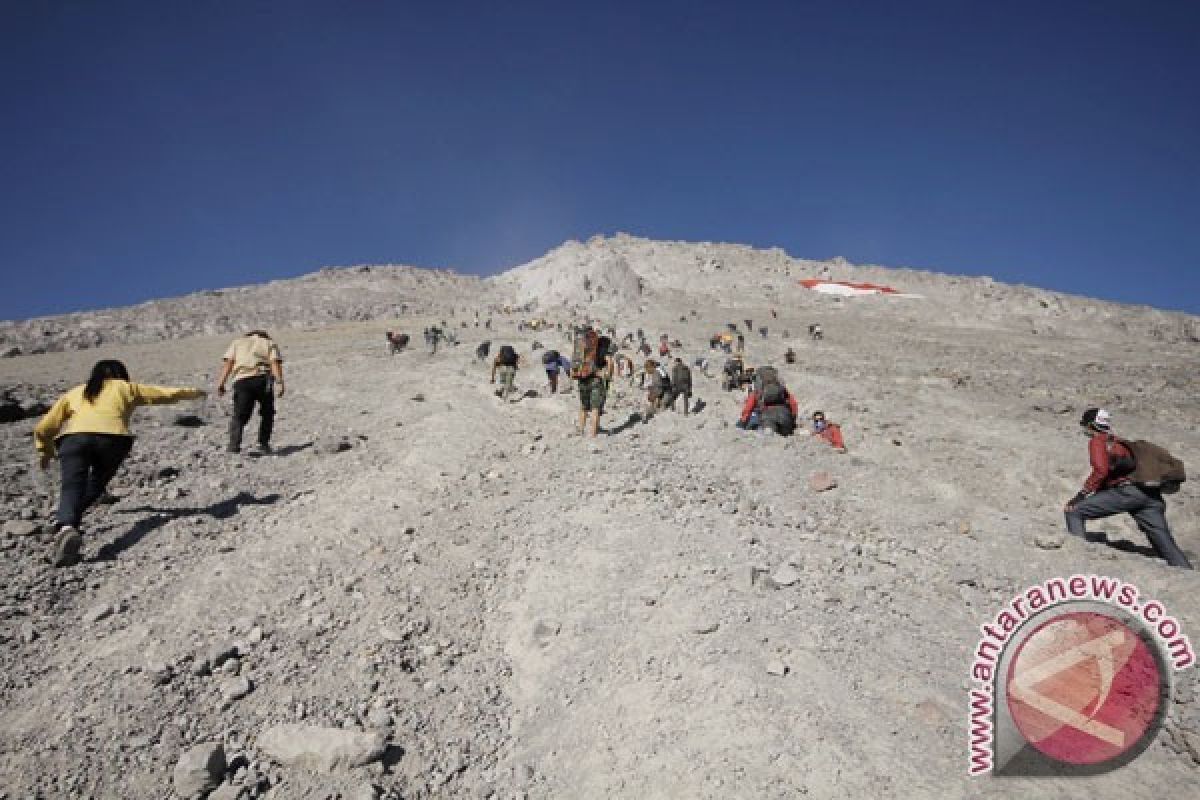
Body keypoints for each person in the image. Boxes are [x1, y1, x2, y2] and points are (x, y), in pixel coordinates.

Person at [34, 360, 205, 566]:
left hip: (74, 440)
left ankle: (66, 524)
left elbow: (44, 426)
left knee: (71, 485)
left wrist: (45, 451)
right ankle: (67, 524)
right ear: (121, 373)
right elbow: (163, 393)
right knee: (96, 484)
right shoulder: (127, 388)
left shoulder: (77, 391)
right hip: (113, 440)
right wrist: (194, 392)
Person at [1064, 408, 1192, 569]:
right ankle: (1186, 570)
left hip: (1127, 494)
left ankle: (1076, 559)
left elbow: (1100, 471)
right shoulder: (1119, 441)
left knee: (1074, 511)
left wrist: (1080, 496)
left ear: (1091, 426)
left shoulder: (1099, 441)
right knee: (1164, 541)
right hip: (1150, 496)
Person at [216, 330, 284, 454]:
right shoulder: (268, 342)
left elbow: (228, 363)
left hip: (242, 380)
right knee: (267, 413)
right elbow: (274, 362)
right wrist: (280, 383)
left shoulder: (237, 342)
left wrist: (221, 383)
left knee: (239, 415)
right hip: (263, 380)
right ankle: (263, 444)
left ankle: (233, 446)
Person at [575, 330, 613, 437]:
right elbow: (610, 362)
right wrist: (608, 375)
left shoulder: (584, 348)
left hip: (582, 379)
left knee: (583, 407)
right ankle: (593, 434)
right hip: (596, 380)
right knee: (595, 408)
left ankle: (581, 430)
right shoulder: (603, 349)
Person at [737, 368, 798, 435]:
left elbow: (747, 409)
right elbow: (794, 404)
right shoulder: (782, 390)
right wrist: (792, 420)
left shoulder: (758, 392)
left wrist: (742, 422)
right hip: (785, 418)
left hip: (767, 419)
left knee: (765, 432)